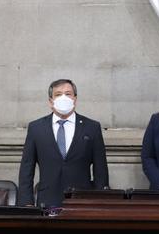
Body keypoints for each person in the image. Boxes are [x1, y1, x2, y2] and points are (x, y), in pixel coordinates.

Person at [18, 79, 109, 207]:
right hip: (47, 201)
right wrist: (26, 203)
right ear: (51, 101)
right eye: (58, 94)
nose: (63, 98)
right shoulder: (36, 128)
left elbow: (101, 169)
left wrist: (100, 202)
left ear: (75, 99)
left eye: (68, 94)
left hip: (82, 201)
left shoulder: (91, 127)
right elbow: (26, 169)